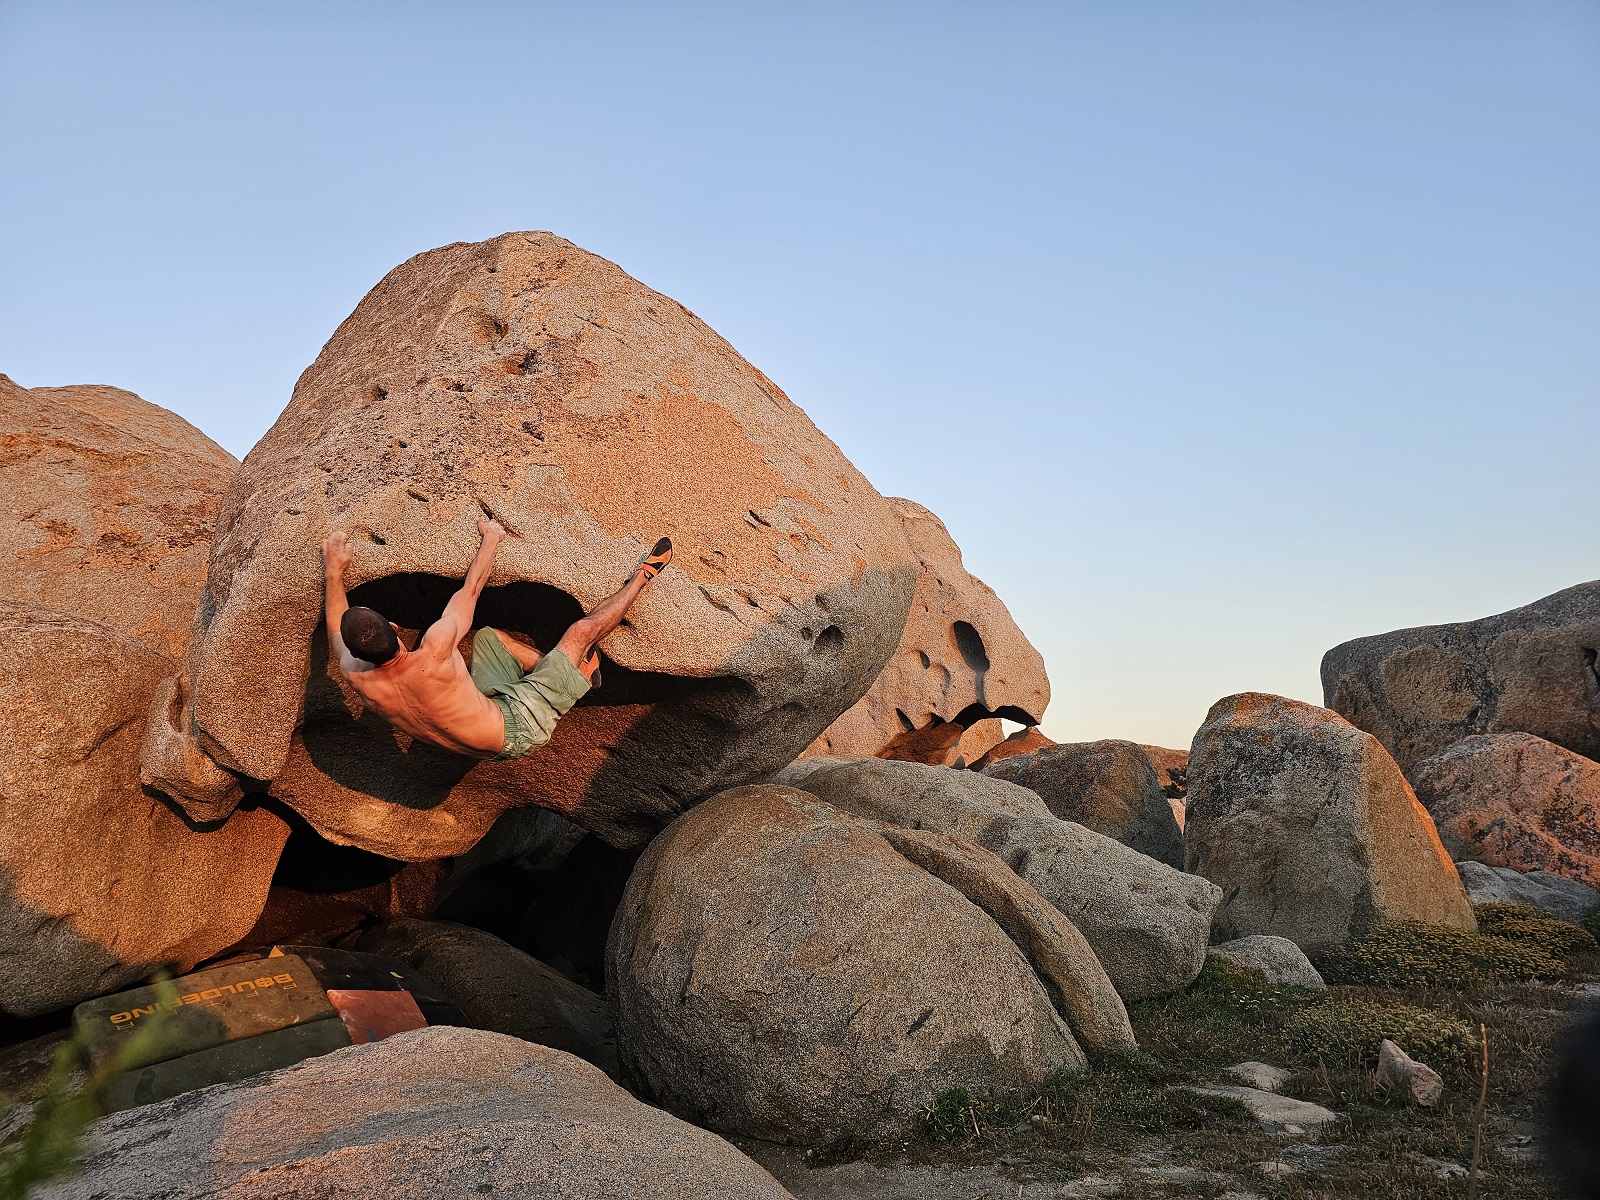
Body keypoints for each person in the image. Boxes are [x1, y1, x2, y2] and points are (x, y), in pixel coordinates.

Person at [321, 518, 671, 760]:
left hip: (485, 732)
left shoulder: (354, 673)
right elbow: (470, 591)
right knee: (581, 632)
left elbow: (336, 629)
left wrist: (333, 574)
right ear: (395, 627)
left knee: (488, 639)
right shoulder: (436, 650)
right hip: (522, 726)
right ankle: (645, 574)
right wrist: (492, 536)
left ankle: (566, 675)